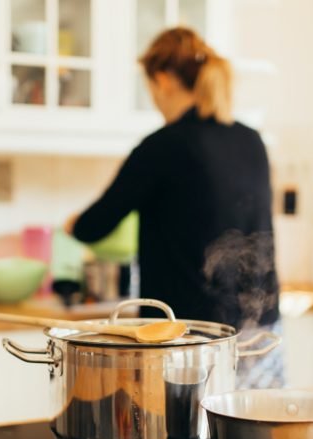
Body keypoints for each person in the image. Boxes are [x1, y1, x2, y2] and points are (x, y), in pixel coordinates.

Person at [66, 27, 283, 388]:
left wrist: (72, 224)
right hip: (258, 329)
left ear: (163, 80)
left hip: (184, 337)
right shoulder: (251, 140)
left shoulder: (162, 147)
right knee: (253, 438)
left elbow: (95, 225)